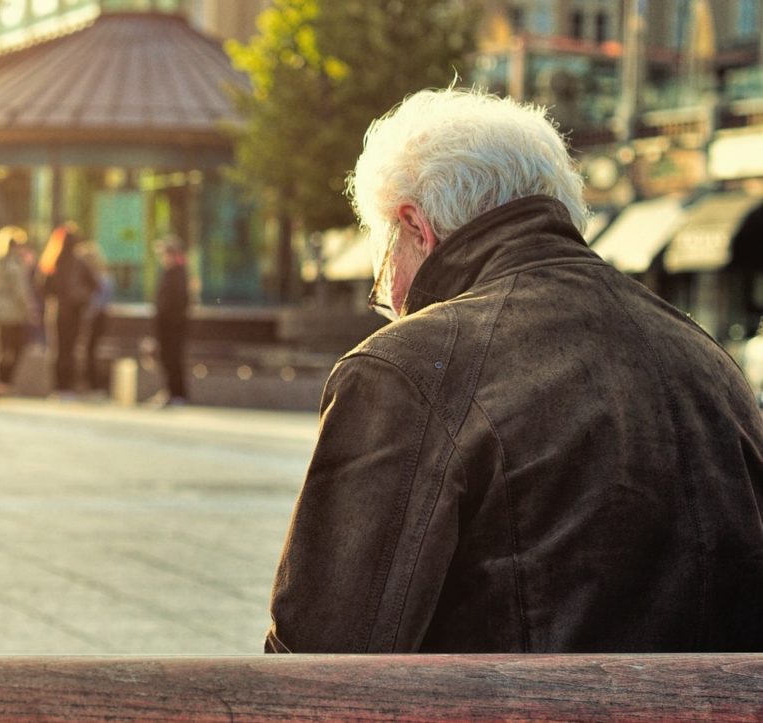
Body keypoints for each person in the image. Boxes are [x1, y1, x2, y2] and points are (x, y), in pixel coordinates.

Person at [265, 87, 763, 654]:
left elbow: (321, 656)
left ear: (416, 227)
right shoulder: (707, 358)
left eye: (383, 269)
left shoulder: (407, 367)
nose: (392, 300)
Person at [0, 225, 38, 396]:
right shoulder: (14, 264)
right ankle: (3, 383)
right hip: (13, 314)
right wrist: (30, 309)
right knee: (14, 348)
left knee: (0, 348)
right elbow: (21, 291)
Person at [41, 223, 97, 397]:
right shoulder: (77, 262)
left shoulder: (52, 260)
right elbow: (95, 284)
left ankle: (59, 386)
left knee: (59, 349)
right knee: (70, 349)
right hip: (73, 311)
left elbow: (42, 287)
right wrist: (81, 297)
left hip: (59, 310)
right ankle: (67, 386)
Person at [153, 237, 190, 406]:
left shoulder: (178, 274)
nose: (162, 258)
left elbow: (175, 303)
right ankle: (171, 392)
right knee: (167, 358)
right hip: (167, 325)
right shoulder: (171, 273)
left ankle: (177, 393)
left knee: (173, 358)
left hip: (173, 326)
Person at [77, 241, 114, 394]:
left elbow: (100, 301)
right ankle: (90, 383)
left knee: (91, 350)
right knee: (89, 350)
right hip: (96, 316)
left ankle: (94, 384)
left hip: (96, 317)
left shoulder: (100, 278)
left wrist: (87, 314)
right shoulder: (103, 277)